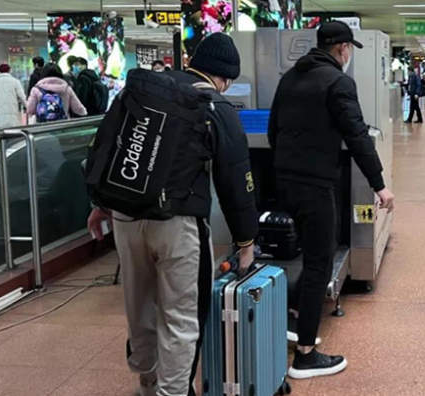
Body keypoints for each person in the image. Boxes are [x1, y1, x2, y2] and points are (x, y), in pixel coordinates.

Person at [87, 32, 260, 396]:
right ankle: (174, 392)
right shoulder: (215, 105)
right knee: (181, 316)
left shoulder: (142, 92)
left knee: (140, 308)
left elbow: (105, 147)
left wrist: (100, 205)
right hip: (178, 225)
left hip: (125, 218)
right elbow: (236, 180)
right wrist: (246, 241)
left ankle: (147, 383)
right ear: (225, 78)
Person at [268, 21, 395, 379]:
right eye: (349, 48)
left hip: (285, 180)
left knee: (304, 255)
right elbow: (357, 136)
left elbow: (274, 130)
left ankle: (295, 320)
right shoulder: (338, 82)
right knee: (318, 264)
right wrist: (380, 185)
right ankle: (305, 355)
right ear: (342, 48)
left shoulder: (289, 78)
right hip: (315, 185)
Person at [0, 63, 27, 129]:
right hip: (12, 117)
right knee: (12, 133)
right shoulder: (15, 81)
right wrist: (28, 107)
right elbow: (22, 97)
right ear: (9, 70)